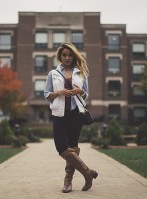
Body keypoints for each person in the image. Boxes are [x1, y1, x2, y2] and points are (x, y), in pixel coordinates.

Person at [44, 42, 98, 193]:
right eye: (64, 55)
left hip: (76, 114)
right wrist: (59, 92)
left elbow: (86, 94)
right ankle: (87, 172)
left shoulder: (81, 73)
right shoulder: (53, 74)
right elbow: (47, 95)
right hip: (59, 113)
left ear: (73, 56)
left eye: (69, 55)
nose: (67, 57)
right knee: (61, 147)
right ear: (60, 57)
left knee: (73, 146)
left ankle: (68, 181)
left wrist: (79, 91)